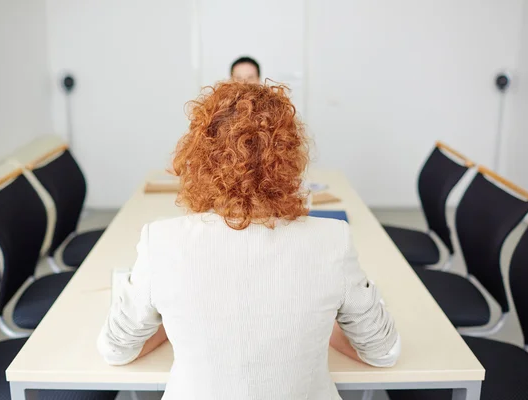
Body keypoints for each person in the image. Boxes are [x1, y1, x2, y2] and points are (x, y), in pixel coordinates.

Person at [97, 82, 400, 400]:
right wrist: (325, 325)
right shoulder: (331, 241)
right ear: (289, 156)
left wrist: (169, 323)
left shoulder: (161, 242)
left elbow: (115, 350)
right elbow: (384, 352)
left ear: (199, 156)